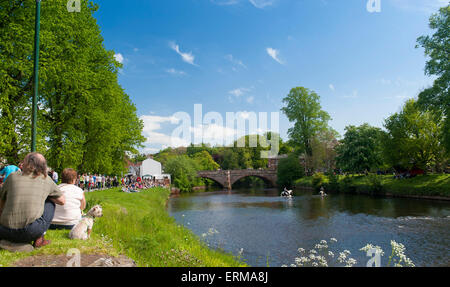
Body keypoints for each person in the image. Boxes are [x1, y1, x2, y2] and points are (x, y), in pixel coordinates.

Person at [0, 153, 65, 250]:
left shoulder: (12, 177)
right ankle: (40, 238)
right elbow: (62, 201)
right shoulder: (46, 179)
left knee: (6, 197)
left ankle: (9, 241)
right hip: (30, 232)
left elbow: (1, 202)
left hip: (4, 231)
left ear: (25, 163)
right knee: (50, 203)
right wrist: (44, 194)